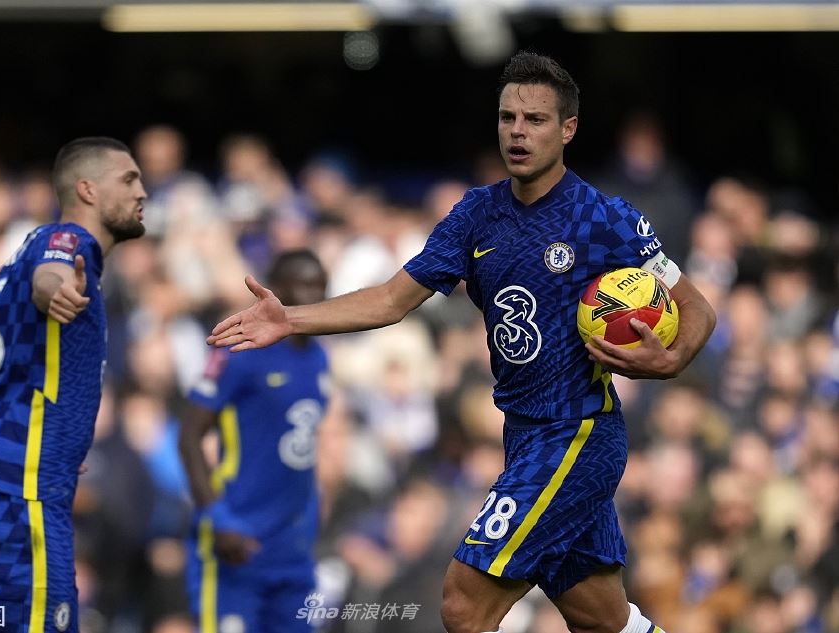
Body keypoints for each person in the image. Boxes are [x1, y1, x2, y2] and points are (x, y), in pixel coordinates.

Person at [208, 51, 717, 633]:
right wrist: (290, 319)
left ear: (568, 129)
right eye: (507, 118)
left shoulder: (606, 220)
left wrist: (670, 359)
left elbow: (696, 308)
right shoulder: (476, 214)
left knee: (463, 604)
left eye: (535, 119)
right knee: (602, 620)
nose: (518, 132)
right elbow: (391, 300)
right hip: (523, 434)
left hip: (576, 434)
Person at [0, 136, 147, 632]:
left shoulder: (12, 265)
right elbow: (52, 275)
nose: (142, 191)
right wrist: (55, 290)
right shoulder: (68, 242)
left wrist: (8, 438)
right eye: (129, 179)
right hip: (22, 493)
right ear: (88, 190)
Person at [180, 249, 330, 633]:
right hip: (238, 540)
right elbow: (189, 436)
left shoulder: (319, 358)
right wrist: (217, 518)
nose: (314, 295)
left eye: (321, 286)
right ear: (275, 290)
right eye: (304, 285)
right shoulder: (241, 350)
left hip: (292, 552)